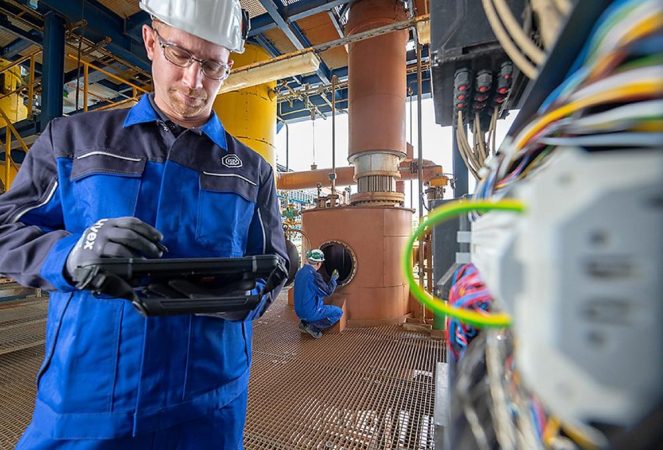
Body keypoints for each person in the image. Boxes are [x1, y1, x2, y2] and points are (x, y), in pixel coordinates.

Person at [0, 0, 288, 448]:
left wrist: (250, 297)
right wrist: (71, 255)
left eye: (212, 66)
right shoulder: (74, 140)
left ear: (228, 68)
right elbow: (7, 230)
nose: (194, 81)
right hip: (89, 400)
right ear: (151, 41)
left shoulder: (251, 171)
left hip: (208, 405)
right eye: (180, 55)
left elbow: (276, 262)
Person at [293, 249, 343, 339]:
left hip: (298, 311)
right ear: (318, 263)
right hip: (309, 312)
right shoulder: (314, 276)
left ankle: (304, 323)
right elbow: (328, 292)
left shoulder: (299, 272)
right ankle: (313, 327)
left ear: (307, 260)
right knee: (338, 312)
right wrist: (333, 280)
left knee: (315, 298)